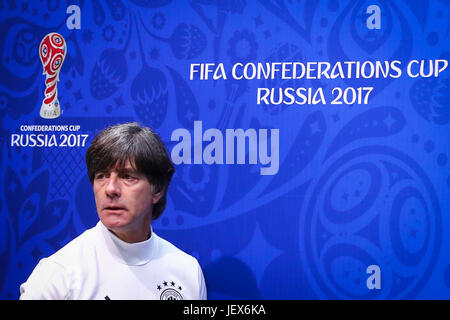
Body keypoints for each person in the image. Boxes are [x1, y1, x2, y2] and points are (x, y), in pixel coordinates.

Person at [19, 122, 207, 300]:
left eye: (127, 176)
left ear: (157, 190)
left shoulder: (187, 270)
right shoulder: (58, 274)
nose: (110, 189)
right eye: (102, 176)